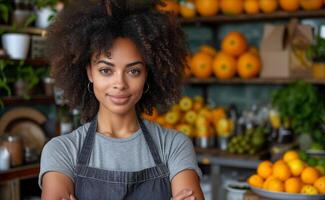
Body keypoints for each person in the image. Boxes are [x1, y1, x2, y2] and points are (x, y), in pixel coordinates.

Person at [39, 0, 204, 199]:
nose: (120, 84)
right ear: (90, 72)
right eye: (106, 70)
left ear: (147, 75)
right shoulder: (61, 151)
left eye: (133, 71)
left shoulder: (174, 146)